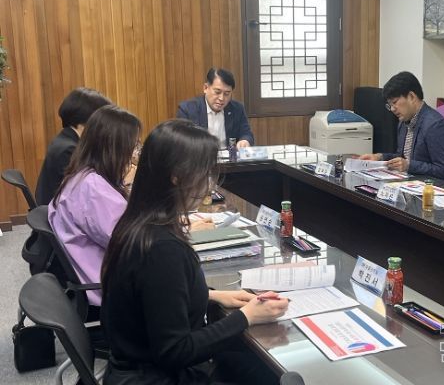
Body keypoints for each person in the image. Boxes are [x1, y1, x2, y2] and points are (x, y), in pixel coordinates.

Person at [101, 120, 288, 384]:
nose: (209, 184)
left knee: (252, 364)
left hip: (136, 366)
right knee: (271, 373)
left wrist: (213, 294)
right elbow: (175, 351)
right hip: (157, 377)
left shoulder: (140, 222)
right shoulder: (161, 249)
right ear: (177, 176)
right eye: (205, 173)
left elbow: (153, 297)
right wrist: (247, 317)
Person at [48, 105, 142, 306]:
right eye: (133, 146)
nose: (134, 154)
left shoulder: (82, 175)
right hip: (107, 289)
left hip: (93, 277)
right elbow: (133, 245)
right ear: (115, 148)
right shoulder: (94, 189)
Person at [358, 71, 444, 182]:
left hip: (433, 188)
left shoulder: (436, 126)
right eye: (389, 105)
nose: (392, 109)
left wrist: (409, 166)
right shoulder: (403, 122)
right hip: (411, 183)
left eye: (395, 102)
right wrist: (380, 157)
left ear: (411, 97)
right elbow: (402, 157)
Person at [35, 87, 113, 205]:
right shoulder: (69, 150)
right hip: (58, 211)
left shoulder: (65, 139)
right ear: (86, 121)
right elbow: (87, 191)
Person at [177, 67, 255, 149]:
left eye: (227, 94)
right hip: (201, 155)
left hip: (229, 155)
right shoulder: (188, 109)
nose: (221, 98)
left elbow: (247, 134)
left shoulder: (237, 109)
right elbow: (182, 140)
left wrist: (245, 141)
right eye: (217, 92)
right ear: (205, 88)